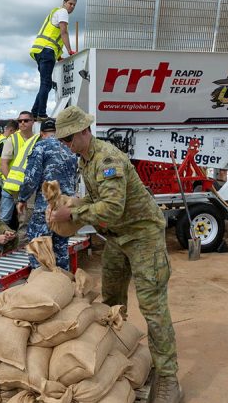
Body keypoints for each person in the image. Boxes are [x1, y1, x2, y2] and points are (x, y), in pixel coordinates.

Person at [49, 106, 182, 403]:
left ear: (85, 131)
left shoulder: (108, 159)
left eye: (69, 138)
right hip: (117, 237)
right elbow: (100, 200)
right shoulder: (85, 159)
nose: (66, 145)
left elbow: (111, 209)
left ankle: (169, 378)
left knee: (153, 308)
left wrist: (73, 210)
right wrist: (74, 202)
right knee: (110, 303)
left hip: (142, 236)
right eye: (62, 141)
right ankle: (120, 356)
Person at [17, 118, 78, 270]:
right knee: (61, 248)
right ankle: (62, 285)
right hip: (65, 207)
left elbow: (31, 179)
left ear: (42, 133)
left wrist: (22, 198)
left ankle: (41, 283)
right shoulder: (69, 148)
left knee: (39, 246)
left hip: (46, 207)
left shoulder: (40, 147)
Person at [30, 0, 77, 120]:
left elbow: (53, 37)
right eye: (70, 3)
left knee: (45, 84)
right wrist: (69, 51)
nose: (72, 7)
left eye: (74, 5)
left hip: (40, 50)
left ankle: (34, 113)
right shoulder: (63, 12)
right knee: (46, 83)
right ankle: (41, 113)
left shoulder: (54, 12)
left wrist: (59, 56)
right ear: (64, 2)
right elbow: (63, 32)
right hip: (46, 51)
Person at [1, 111, 39, 246]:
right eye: (20, 121)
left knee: (27, 219)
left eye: (26, 120)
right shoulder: (12, 139)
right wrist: (12, 182)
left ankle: (23, 247)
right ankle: (2, 248)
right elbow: (4, 163)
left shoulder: (36, 140)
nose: (22, 123)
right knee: (7, 219)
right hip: (13, 187)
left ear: (33, 121)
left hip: (30, 187)